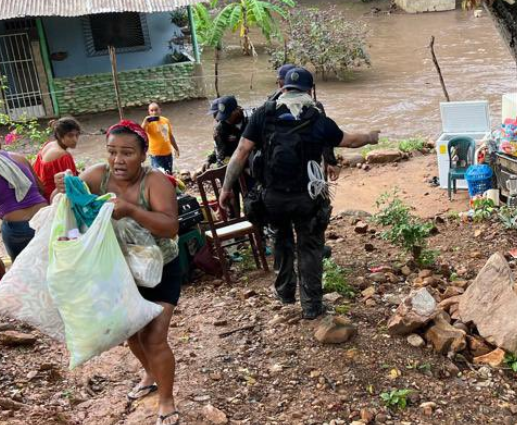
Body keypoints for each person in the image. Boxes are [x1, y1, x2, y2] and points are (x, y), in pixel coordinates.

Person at [220, 67, 381, 319]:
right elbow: (348, 140)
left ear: (283, 88)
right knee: (309, 248)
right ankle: (311, 306)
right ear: (310, 90)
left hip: (272, 197)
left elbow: (240, 153)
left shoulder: (263, 114)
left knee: (281, 240)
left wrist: (226, 188)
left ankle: (285, 293)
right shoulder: (316, 118)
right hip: (307, 197)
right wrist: (371, 137)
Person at [55, 121, 182, 425]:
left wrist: (131, 210)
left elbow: (170, 227)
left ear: (143, 155)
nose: (118, 160)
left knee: (154, 336)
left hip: (161, 267)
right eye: (112, 152)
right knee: (132, 334)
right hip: (120, 269)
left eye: (127, 153)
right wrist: (64, 186)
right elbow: (67, 205)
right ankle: (150, 374)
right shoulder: (98, 176)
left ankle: (167, 401)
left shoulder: (156, 182)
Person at [0, 129, 48, 259]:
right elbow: (41, 188)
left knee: (23, 269)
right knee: (49, 261)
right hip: (44, 218)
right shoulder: (20, 158)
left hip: (19, 228)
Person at [33, 117, 82, 198]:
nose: (75, 140)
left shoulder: (49, 144)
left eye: (77, 135)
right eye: (70, 136)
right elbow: (73, 185)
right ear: (60, 135)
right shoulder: (64, 156)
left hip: (40, 194)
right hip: (53, 197)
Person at [142, 103, 180, 174]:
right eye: (152, 110)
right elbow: (141, 132)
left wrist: (176, 148)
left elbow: (170, 136)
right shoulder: (148, 123)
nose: (154, 112)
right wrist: (145, 121)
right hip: (156, 155)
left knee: (169, 173)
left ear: (160, 110)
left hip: (168, 153)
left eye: (156, 110)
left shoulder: (165, 120)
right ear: (149, 112)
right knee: (158, 175)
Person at [210, 96, 247, 164]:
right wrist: (209, 160)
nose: (225, 119)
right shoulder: (221, 128)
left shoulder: (250, 120)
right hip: (234, 162)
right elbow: (221, 153)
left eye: (228, 115)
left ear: (236, 110)